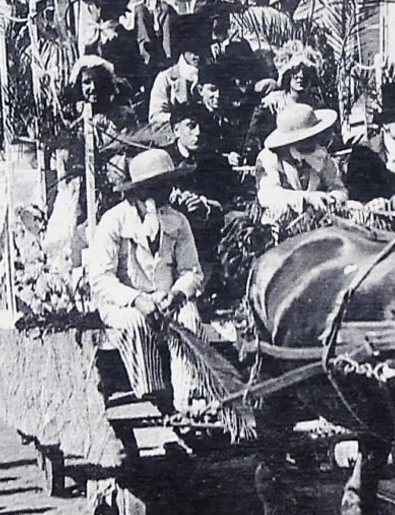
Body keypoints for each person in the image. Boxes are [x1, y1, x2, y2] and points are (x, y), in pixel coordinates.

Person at [84, 149, 208, 411]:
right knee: (136, 322)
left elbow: (192, 270)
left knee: (189, 317)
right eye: (155, 186)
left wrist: (176, 294)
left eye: (166, 184)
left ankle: (189, 397)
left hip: (165, 299)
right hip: (123, 303)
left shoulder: (177, 221)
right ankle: (153, 394)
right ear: (138, 190)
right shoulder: (114, 221)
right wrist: (137, 299)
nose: (163, 192)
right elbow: (100, 278)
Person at [164, 102, 241, 280]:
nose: (198, 132)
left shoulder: (215, 161)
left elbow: (231, 200)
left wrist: (206, 206)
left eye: (202, 126)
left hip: (209, 235)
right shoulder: (164, 160)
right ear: (176, 130)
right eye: (191, 126)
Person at [256, 101, 349, 225]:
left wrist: (332, 198)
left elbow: (338, 186)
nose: (313, 142)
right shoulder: (270, 158)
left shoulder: (320, 155)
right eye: (306, 139)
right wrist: (306, 198)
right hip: (280, 223)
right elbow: (268, 195)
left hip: (321, 221)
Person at [148, 46, 203, 125]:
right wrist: (180, 119)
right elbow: (156, 116)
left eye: (201, 48)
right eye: (192, 51)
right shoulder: (166, 78)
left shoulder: (213, 73)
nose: (198, 56)